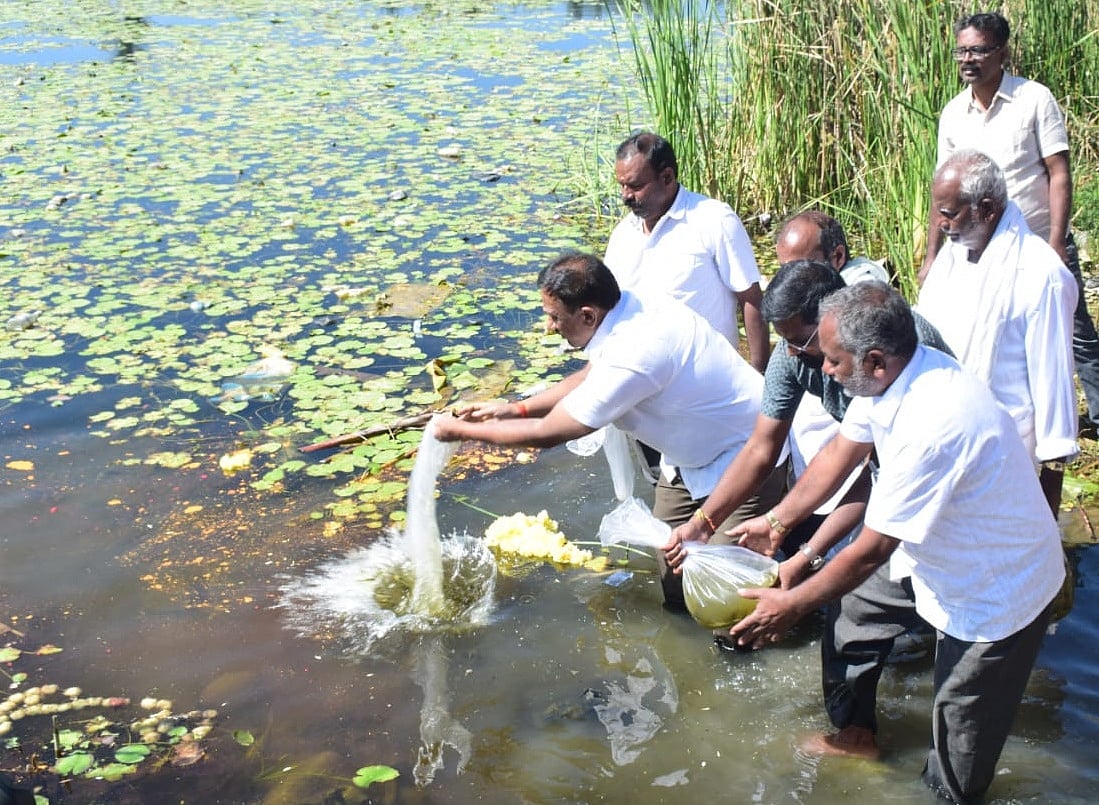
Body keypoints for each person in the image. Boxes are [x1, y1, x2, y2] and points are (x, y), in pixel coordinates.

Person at [728, 281, 1064, 805]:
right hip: (933, 547)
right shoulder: (890, 377)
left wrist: (791, 605)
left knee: (958, 737)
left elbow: (873, 548)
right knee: (853, 611)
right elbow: (841, 452)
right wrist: (778, 525)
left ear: (876, 362)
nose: (824, 369)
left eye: (833, 360)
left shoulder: (933, 421)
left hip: (996, 587)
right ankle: (855, 734)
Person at [432, 251, 784, 609]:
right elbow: (591, 374)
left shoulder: (635, 354)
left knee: (728, 592)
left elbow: (548, 433)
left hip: (746, 454)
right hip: (688, 458)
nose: (548, 327)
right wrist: (514, 409)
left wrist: (463, 432)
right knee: (674, 573)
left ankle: (773, 611)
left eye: (555, 317)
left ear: (588, 315)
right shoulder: (628, 306)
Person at [920, 11, 1099, 432]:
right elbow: (943, 191)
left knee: (1074, 329)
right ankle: (998, 410)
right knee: (988, 329)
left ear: (1002, 52)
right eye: (961, 51)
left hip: (1036, 239)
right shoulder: (953, 114)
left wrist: (1056, 241)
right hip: (978, 249)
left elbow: (1058, 172)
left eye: (978, 50)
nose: (968, 59)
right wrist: (931, 257)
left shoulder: (1033, 99)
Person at [919, 149, 1078, 512]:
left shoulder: (1040, 275)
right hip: (941, 446)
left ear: (986, 209)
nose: (940, 224)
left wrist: (1047, 507)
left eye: (949, 214)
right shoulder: (951, 258)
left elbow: (1054, 388)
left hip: (1005, 458)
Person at [603, 132, 769, 372]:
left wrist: (759, 376)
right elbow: (609, 307)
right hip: (642, 377)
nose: (626, 196)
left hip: (707, 376)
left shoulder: (714, 220)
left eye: (636, 186)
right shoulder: (623, 235)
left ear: (667, 177)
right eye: (622, 186)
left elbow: (751, 299)